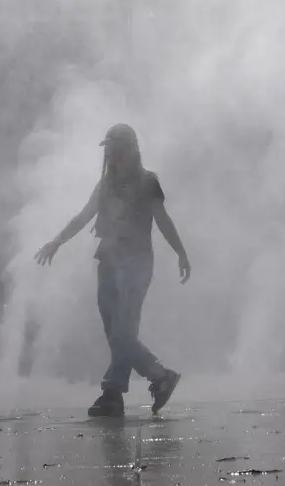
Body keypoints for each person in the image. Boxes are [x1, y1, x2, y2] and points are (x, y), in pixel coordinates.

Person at [35, 123, 191, 417]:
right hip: (108, 261)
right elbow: (82, 217)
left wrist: (181, 252)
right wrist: (56, 241)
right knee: (115, 331)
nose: (109, 153)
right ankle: (156, 378)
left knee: (123, 330)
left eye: (114, 147)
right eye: (108, 147)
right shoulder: (105, 184)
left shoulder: (147, 182)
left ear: (129, 149)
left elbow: (162, 219)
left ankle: (114, 391)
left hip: (137, 262)